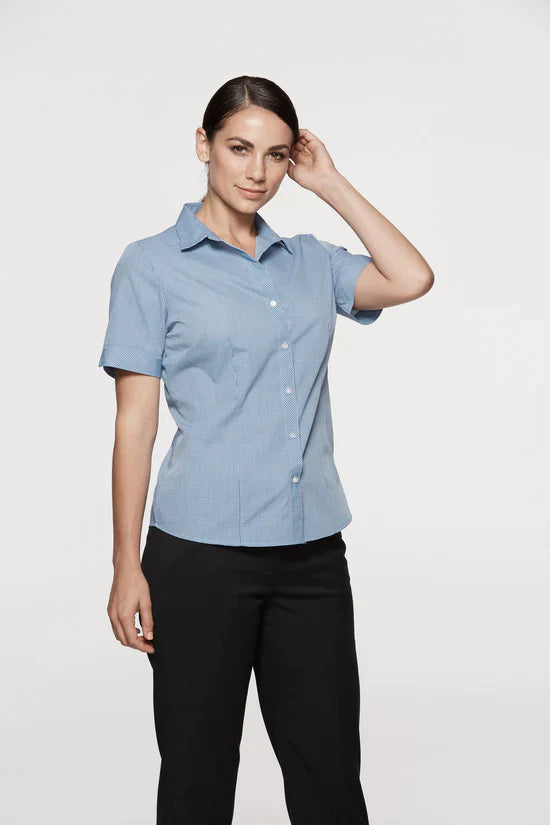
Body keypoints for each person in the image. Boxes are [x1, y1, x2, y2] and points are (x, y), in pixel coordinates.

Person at [99, 75, 434, 825]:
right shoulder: (151, 266)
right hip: (198, 558)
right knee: (197, 778)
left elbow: (412, 277)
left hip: (310, 557)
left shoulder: (311, 261)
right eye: (239, 148)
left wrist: (330, 183)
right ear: (204, 146)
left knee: (329, 779)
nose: (257, 171)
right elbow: (134, 425)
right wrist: (126, 563)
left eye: (276, 155)